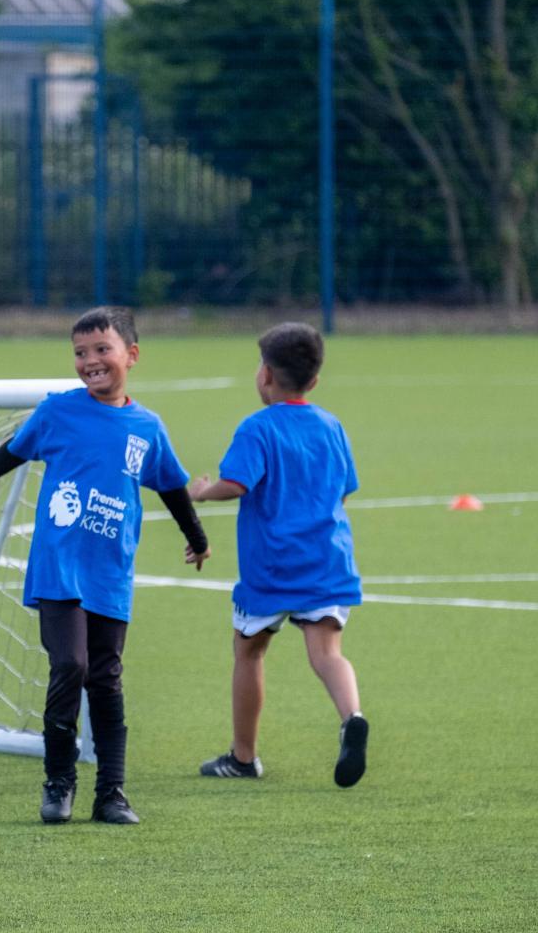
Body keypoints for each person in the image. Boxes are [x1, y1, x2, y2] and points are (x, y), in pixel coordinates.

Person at [0, 306, 210, 824]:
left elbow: (170, 485)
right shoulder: (58, 412)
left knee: (106, 677)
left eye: (102, 350)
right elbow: (15, 450)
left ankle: (112, 793)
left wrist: (196, 537)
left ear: (131, 356)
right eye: (80, 353)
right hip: (59, 566)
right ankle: (59, 783)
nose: (90, 361)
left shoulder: (147, 427)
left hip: (109, 571)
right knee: (70, 665)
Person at [189, 321, 368, 788]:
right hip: (327, 562)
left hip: (271, 566)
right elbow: (343, 490)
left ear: (265, 374)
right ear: (314, 381)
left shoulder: (258, 428)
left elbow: (237, 484)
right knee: (327, 652)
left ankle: (243, 757)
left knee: (248, 650)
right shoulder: (332, 426)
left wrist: (205, 492)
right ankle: (352, 717)